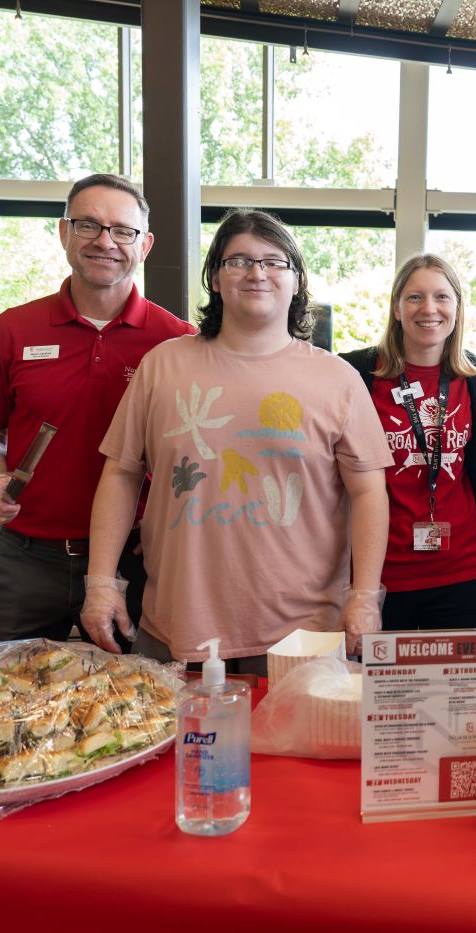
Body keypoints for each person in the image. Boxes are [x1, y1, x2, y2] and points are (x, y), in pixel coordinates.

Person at [81, 209, 391, 673]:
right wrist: (101, 583)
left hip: (301, 637)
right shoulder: (163, 366)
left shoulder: (338, 379)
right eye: (238, 260)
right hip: (176, 627)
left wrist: (365, 597)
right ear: (216, 278)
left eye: (273, 261)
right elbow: (121, 472)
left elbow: (369, 492)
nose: (256, 273)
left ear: (296, 280)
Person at [0, 173, 197, 645]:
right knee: (1, 703)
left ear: (144, 245)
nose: (104, 241)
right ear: (64, 232)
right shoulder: (12, 330)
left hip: (136, 562)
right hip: (26, 560)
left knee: (132, 710)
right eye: (88, 225)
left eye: (122, 231)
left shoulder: (178, 342)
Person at [341, 254, 476, 630]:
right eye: (414, 297)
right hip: (384, 574)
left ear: (456, 306)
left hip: (461, 569)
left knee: (458, 688)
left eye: (442, 297)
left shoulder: (468, 374)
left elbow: (471, 463)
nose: (429, 309)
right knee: (384, 689)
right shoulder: (359, 373)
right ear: (395, 307)